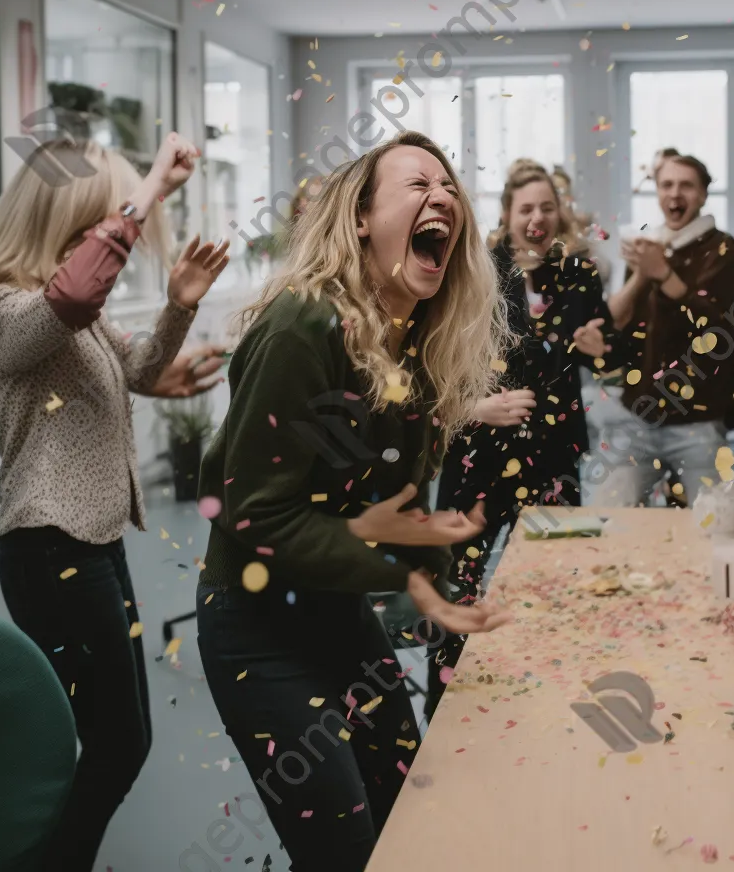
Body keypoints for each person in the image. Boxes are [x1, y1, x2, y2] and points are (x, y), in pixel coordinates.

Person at [194, 130, 510, 872]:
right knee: (339, 848)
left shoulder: (417, 345)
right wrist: (400, 573)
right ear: (361, 219)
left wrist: (435, 578)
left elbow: (400, 506)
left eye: (450, 188)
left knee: (406, 809)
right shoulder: (301, 325)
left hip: (335, 611)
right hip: (257, 629)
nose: (442, 196)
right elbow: (255, 512)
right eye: (417, 185)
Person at [0, 133, 229, 872]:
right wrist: (147, 189)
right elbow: (78, 293)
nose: (107, 235)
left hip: (91, 548)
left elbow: (139, 365)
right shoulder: (5, 309)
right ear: (58, 219)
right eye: (98, 219)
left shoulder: (65, 310)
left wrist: (178, 308)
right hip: (49, 552)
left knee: (123, 740)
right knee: (119, 744)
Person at [425, 162, 620, 716]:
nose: (536, 218)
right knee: (458, 580)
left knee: (557, 581)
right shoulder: (475, 273)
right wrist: (476, 407)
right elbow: (441, 357)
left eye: (546, 208)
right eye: (525, 208)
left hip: (554, 454)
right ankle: (440, 705)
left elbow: (606, 351)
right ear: (507, 216)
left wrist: (600, 348)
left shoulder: (580, 273)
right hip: (480, 456)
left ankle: (553, 699)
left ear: (559, 214)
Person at [602, 151, 734, 506]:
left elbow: (715, 330)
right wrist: (643, 272)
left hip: (698, 420)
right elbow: (621, 324)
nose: (674, 194)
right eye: (666, 184)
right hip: (641, 417)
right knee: (607, 515)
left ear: (703, 194)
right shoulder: (650, 247)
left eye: (686, 186)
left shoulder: (723, 249)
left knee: (716, 527)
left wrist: (664, 274)